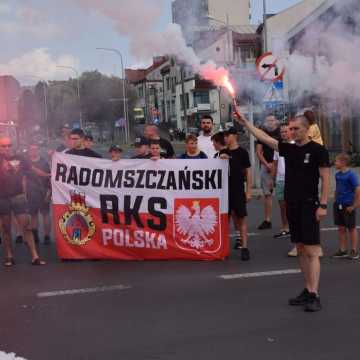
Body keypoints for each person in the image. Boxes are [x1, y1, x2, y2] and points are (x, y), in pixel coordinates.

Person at [234, 109, 330, 312]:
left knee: (312, 251)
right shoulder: (289, 149)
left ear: (307, 129)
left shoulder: (318, 150)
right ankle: (307, 289)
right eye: (291, 128)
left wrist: (322, 205)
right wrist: (245, 123)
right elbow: (263, 137)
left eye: (297, 128)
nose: (293, 131)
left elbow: (326, 179)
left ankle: (315, 294)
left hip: (309, 204)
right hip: (292, 204)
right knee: (301, 249)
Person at [0, 136, 46, 266]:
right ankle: (9, 256)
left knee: (26, 226)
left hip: (18, 196)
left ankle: (35, 256)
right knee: (6, 228)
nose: (7, 148)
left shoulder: (20, 158)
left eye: (9, 145)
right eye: (3, 146)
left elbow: (32, 170)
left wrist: (47, 176)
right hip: (2, 198)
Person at [224, 127, 252, 261]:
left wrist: (249, 191)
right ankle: (224, 248)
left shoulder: (242, 153)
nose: (225, 138)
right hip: (224, 192)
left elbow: (248, 172)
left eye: (227, 135)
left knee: (242, 219)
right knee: (225, 220)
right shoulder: (222, 152)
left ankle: (245, 247)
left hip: (238, 190)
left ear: (234, 136)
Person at [332, 153, 360, 260]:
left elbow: (358, 190)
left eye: (336, 161)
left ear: (343, 162)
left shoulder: (351, 175)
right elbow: (337, 188)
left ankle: (353, 250)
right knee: (341, 228)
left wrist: (354, 205)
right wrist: (335, 199)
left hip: (348, 205)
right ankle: (343, 250)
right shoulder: (337, 175)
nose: (335, 163)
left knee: (351, 228)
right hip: (339, 204)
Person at [256, 115, 280, 230]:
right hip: (266, 166)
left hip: (280, 167)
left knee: (284, 195)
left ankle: (288, 222)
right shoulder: (262, 134)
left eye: (272, 120)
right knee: (267, 194)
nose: (270, 122)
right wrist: (267, 164)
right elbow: (259, 152)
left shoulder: (281, 133)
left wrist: (276, 165)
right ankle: (267, 220)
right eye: (268, 120)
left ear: (276, 121)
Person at [27, 143, 52, 245]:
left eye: (35, 149)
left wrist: (49, 193)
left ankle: (46, 236)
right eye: (32, 149)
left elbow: (50, 177)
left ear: (38, 150)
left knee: (45, 214)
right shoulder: (26, 162)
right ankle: (35, 234)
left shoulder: (44, 162)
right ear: (29, 151)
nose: (33, 151)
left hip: (43, 191)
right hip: (30, 192)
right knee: (33, 215)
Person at [272, 124, 291, 239]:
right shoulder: (278, 147)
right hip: (280, 179)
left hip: (291, 180)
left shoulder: (295, 145)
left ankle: (294, 226)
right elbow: (275, 164)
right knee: (282, 205)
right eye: (282, 132)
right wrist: (272, 179)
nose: (284, 134)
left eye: (286, 131)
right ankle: (285, 227)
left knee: (292, 205)